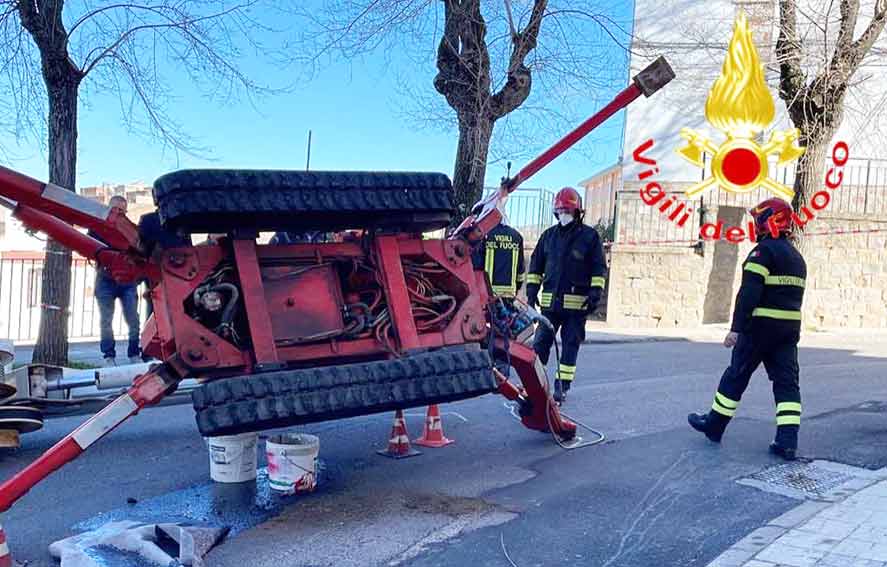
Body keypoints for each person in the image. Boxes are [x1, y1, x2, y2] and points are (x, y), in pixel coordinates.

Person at [688, 198, 807, 461]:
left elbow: (749, 293)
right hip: (787, 332)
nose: (756, 224)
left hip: (759, 329)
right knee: (787, 384)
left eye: (759, 219)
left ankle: (714, 426)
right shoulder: (797, 258)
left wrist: (736, 329)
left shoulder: (762, 253)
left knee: (736, 376)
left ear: (771, 221)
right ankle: (787, 441)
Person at [525, 187, 606, 404]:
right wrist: (531, 294)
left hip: (577, 307)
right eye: (560, 212)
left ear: (577, 212)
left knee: (570, 345)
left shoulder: (590, 237)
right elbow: (535, 268)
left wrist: (595, 292)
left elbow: (599, 268)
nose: (564, 216)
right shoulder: (548, 237)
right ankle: (536, 385)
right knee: (540, 344)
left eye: (567, 212)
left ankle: (562, 387)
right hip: (550, 307)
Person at [89, 195, 141, 367]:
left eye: (121, 210)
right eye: (115, 209)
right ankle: (108, 356)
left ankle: (134, 354)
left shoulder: (131, 230)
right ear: (108, 208)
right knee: (106, 319)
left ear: (126, 212)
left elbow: (140, 253)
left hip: (127, 280)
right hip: (105, 278)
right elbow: (90, 247)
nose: (118, 213)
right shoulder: (97, 226)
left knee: (133, 319)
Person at [470, 204, 526, 300]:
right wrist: (517, 288)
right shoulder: (516, 236)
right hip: (509, 294)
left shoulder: (483, 235)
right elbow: (520, 270)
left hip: (487, 293)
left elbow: (476, 264)